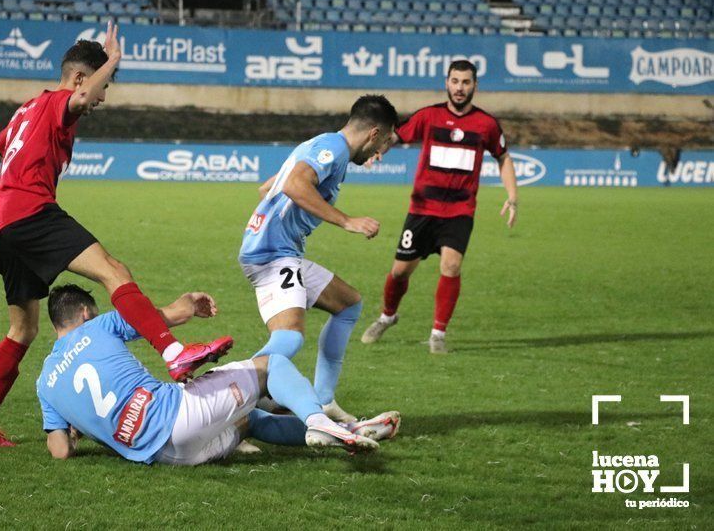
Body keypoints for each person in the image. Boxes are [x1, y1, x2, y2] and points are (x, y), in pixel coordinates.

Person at [0, 23, 232, 448]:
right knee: (113, 271)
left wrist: (17, 150)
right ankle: (175, 355)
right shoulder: (58, 103)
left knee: (23, 330)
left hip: (0, 227)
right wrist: (115, 59)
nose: (102, 99)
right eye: (103, 86)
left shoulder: (28, 108)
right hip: (31, 211)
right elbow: (84, 96)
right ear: (80, 78)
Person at [37, 284, 401, 464]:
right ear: (85, 312)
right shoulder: (100, 325)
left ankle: (350, 433)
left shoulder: (45, 384)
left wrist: (80, 427)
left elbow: (60, 452)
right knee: (270, 367)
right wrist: (189, 303)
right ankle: (319, 419)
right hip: (176, 415)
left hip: (170, 456)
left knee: (250, 419)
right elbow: (165, 315)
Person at [238, 95, 399, 423]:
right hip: (271, 252)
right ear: (373, 133)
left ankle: (324, 401)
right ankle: (222, 402)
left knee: (348, 304)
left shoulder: (323, 146)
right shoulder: (335, 149)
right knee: (289, 337)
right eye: (382, 143)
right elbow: (295, 185)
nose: (379, 153)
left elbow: (268, 187)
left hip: (280, 251)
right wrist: (346, 220)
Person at [360, 60, 518, 353]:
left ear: (475, 86)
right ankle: (387, 316)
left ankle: (438, 334)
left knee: (451, 265)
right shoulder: (429, 116)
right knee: (399, 273)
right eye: (455, 81)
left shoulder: (486, 124)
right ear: (446, 82)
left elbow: (503, 156)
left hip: (459, 211)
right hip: (422, 210)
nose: (460, 88)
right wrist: (375, 150)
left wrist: (512, 195)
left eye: (466, 82)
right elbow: (396, 135)